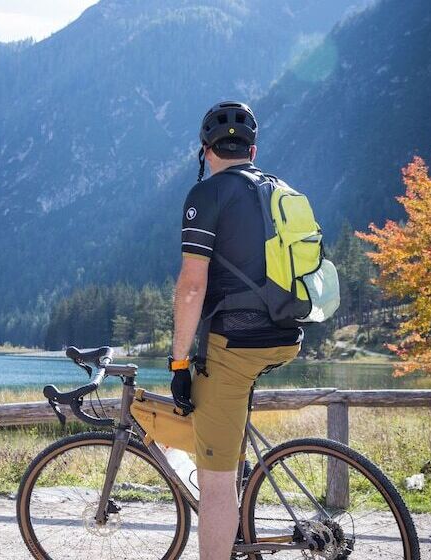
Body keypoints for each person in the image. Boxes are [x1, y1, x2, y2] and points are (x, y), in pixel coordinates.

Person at [169, 101, 303, 559]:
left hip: (235, 345)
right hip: (286, 336)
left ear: (205, 151)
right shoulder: (278, 189)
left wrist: (179, 363)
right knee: (227, 446)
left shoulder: (206, 194)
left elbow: (192, 286)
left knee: (216, 482)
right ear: (253, 151)